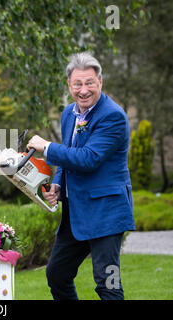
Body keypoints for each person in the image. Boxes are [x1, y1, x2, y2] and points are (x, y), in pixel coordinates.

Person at [26, 52, 135, 300]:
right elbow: (70, 155)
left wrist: (48, 147)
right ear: (69, 85)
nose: (83, 90)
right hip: (76, 213)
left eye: (89, 83)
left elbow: (88, 158)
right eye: (78, 84)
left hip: (107, 212)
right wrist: (57, 182)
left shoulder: (113, 116)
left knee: (108, 283)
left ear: (100, 83)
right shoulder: (68, 114)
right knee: (57, 275)